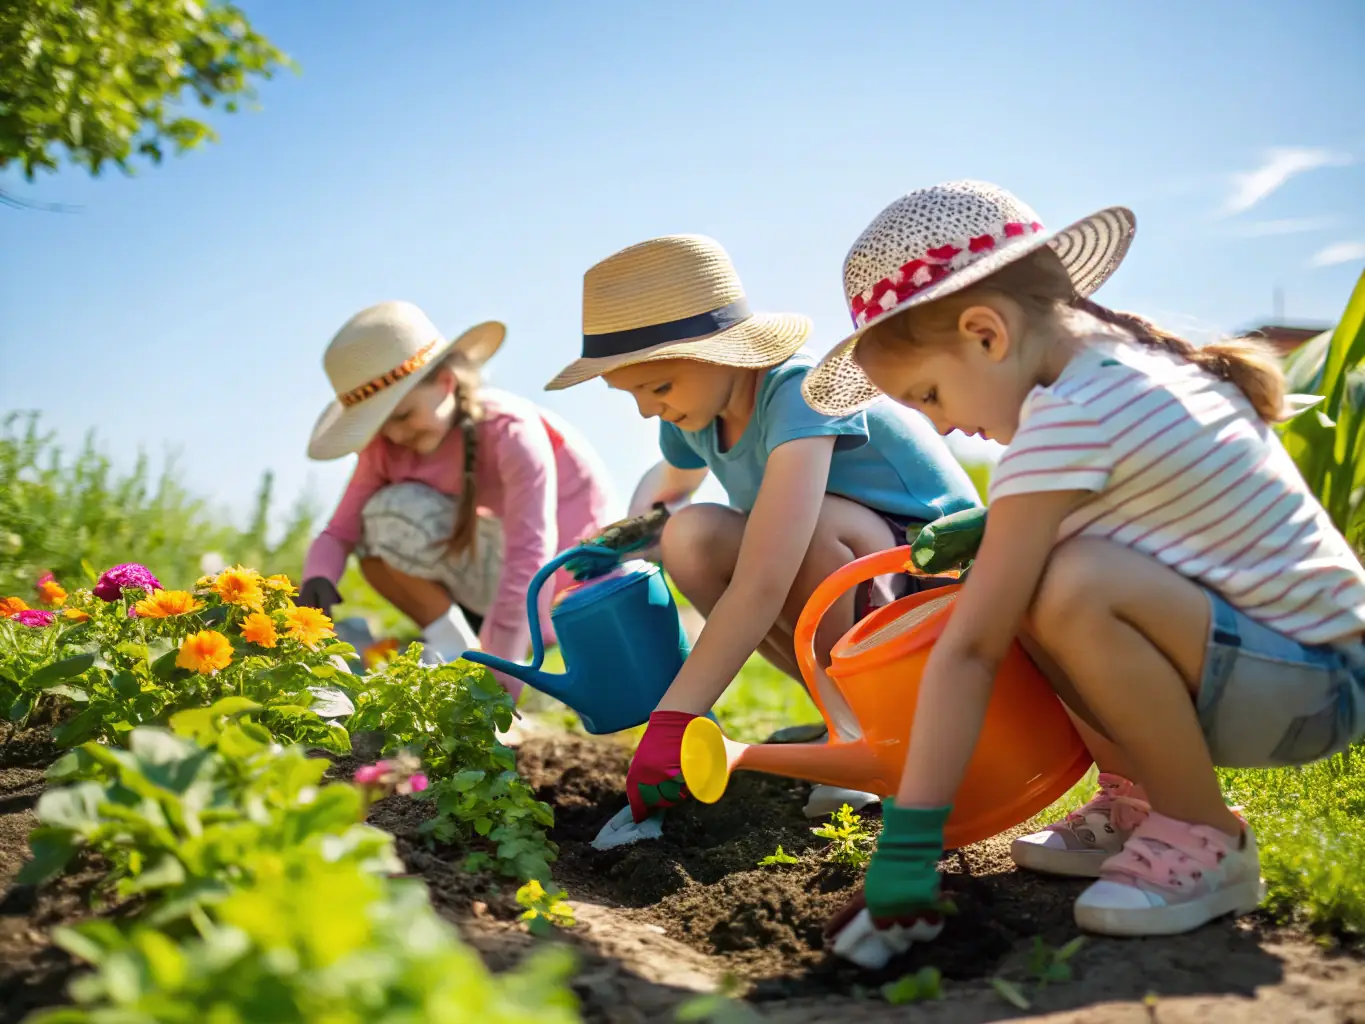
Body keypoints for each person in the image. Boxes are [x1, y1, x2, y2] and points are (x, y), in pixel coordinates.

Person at [803, 180, 1365, 954]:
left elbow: (972, 647)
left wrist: (910, 841)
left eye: (927, 393)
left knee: (1068, 585)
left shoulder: (1068, 418)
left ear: (985, 333)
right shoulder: (1123, 370)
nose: (939, 423)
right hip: (1301, 672)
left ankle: (1203, 836)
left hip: (1310, 688)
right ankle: (1141, 801)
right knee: (1033, 573)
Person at [545, 234, 981, 822]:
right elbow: (670, 490)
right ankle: (845, 718)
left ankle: (862, 734)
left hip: (941, 590)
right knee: (690, 534)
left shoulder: (802, 390)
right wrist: (621, 543)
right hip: (864, 589)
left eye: (659, 387)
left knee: (801, 531)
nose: (649, 410)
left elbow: (765, 578)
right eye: (633, 395)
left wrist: (673, 719)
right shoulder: (698, 413)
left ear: (723, 352)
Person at [298, 300, 617, 697]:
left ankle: (488, 659)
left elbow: (528, 555)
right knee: (372, 524)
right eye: (380, 426)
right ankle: (456, 647)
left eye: (402, 416)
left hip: (566, 582)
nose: (395, 436)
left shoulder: (510, 432)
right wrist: (318, 576)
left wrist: (501, 679)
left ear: (446, 383)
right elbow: (339, 531)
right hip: (486, 574)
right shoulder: (385, 448)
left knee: (394, 513)